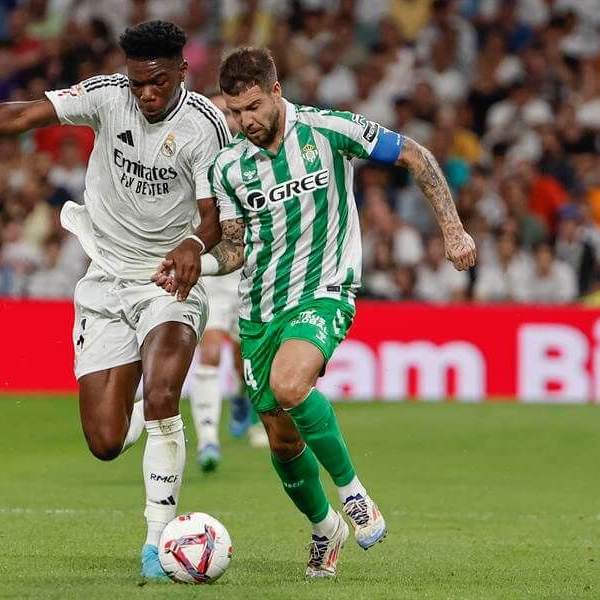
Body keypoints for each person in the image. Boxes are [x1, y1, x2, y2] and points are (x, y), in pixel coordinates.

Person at [0, 20, 229, 580]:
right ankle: (144, 407)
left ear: (183, 70)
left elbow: (215, 218)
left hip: (167, 280)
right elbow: (22, 115)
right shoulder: (108, 97)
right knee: (105, 441)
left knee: (163, 394)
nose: (146, 94)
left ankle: (158, 541)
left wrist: (191, 243)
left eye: (157, 81)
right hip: (105, 278)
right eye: (138, 83)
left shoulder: (207, 128)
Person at [155, 47, 477, 578]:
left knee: (289, 383)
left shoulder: (328, 130)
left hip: (325, 289)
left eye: (253, 107)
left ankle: (354, 495)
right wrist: (197, 268)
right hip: (259, 309)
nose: (244, 121)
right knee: (282, 442)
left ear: (276, 91)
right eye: (234, 112)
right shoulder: (227, 165)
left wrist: (452, 227)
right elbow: (235, 247)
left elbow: (415, 155)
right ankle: (327, 528)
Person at [188, 93, 255, 474]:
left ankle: (242, 397)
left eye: (230, 112)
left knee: (244, 356)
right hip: (213, 268)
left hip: (246, 268)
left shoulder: (250, 154)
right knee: (211, 350)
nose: (227, 119)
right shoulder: (197, 154)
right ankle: (208, 440)